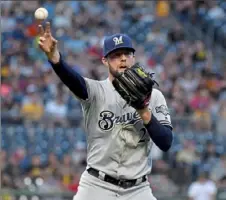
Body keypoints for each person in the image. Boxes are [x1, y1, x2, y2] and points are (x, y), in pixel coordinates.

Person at [38, 22, 173, 200]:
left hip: (138, 189)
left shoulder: (154, 96)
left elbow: (166, 142)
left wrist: (144, 111)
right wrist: (55, 57)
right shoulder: (95, 91)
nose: (123, 58)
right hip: (96, 185)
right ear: (105, 61)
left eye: (127, 54)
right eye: (116, 55)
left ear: (133, 57)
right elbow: (73, 80)